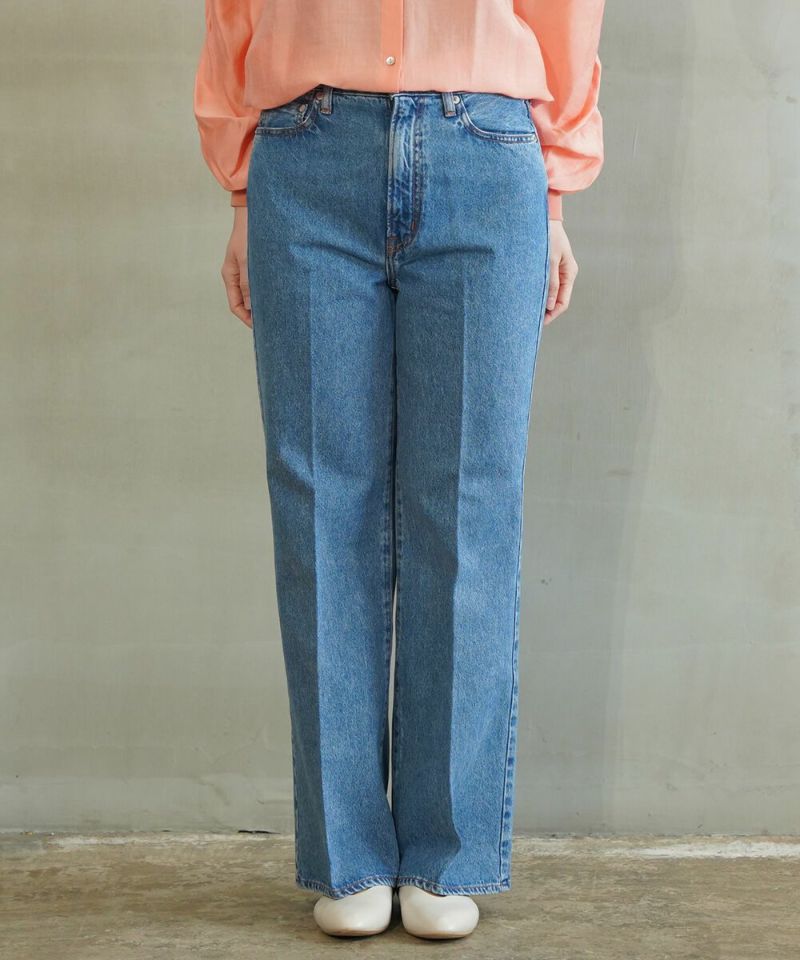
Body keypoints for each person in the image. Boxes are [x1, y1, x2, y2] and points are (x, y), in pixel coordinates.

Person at [194, 0, 606, 941]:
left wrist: (554, 192)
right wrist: (242, 193)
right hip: (305, 150)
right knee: (318, 505)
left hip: (486, 148)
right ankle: (347, 855)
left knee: (467, 506)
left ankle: (446, 857)